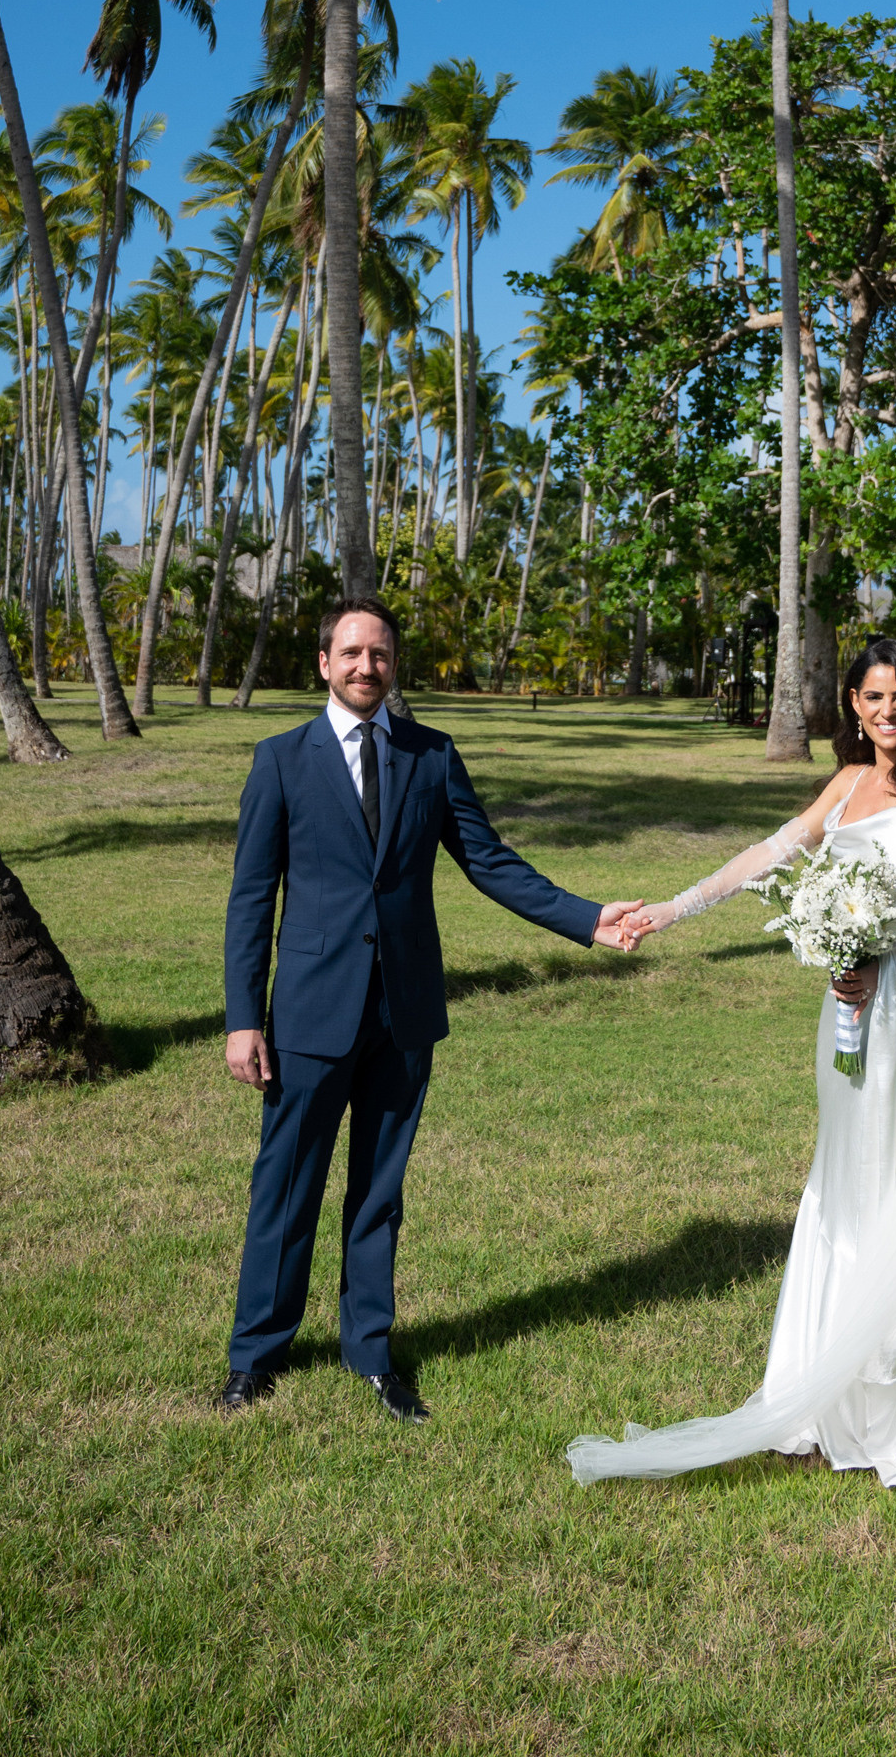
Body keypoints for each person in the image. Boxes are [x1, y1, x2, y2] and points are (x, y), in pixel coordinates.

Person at [569, 637, 896, 1488]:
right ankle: (814, 1392)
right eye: (873, 697)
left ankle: (890, 1409)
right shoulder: (847, 785)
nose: (888, 712)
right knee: (841, 1186)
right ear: (851, 703)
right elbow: (769, 855)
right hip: (846, 1014)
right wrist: (673, 908)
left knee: (892, 1188)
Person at [222, 595, 641, 1423]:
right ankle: (254, 1357)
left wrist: (588, 918)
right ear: (323, 664)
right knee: (287, 1186)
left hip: (404, 1013)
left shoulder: (431, 755)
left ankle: (371, 1355)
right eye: (350, 654)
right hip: (308, 1013)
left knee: (379, 1192)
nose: (365, 667)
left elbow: (490, 862)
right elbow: (250, 900)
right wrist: (244, 1018)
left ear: (393, 666)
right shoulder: (279, 760)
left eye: (379, 655)